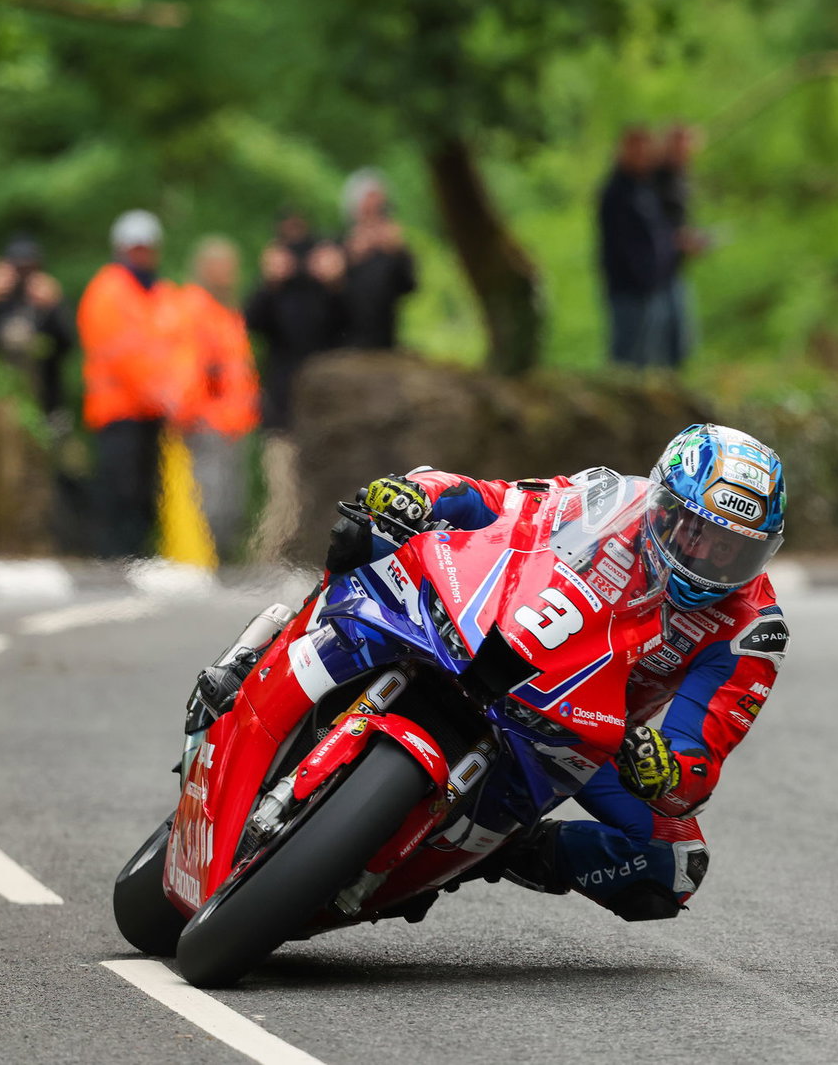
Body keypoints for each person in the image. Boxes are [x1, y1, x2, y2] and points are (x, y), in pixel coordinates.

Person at [324, 424, 790, 921]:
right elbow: (499, 503)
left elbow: (697, 765)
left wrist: (666, 768)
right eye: (700, 533)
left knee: (672, 862)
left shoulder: (752, 631)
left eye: (733, 549)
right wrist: (422, 493)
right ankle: (254, 658)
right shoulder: (609, 497)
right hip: (493, 633)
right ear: (666, 509)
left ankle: (502, 849)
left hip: (581, 732)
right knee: (371, 529)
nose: (711, 561)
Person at [77, 210, 195, 558]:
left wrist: (177, 394)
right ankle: (113, 560)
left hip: (154, 412)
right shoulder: (108, 290)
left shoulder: (161, 294)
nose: (142, 255)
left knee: (149, 492)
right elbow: (120, 352)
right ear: (121, 249)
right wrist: (158, 392)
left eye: (147, 248)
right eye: (136, 248)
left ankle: (138, 559)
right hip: (118, 410)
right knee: (120, 489)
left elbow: (181, 348)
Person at [244, 207, 348, 563]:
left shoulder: (326, 291)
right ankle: (268, 562)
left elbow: (353, 324)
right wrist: (269, 282)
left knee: (319, 494)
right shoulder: (275, 293)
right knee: (283, 493)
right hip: (282, 406)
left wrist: (335, 282)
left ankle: (304, 560)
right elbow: (249, 323)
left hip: (324, 413)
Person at [177, 236, 260, 558]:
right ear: (208, 269)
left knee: (232, 500)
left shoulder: (226, 311)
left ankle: (222, 563)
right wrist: (195, 411)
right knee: (212, 499)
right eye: (225, 267)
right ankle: (208, 561)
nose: (231, 274)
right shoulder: (194, 307)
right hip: (208, 422)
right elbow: (188, 367)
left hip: (233, 423)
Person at [0, 236, 74, 421]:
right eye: (18, 268)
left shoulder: (47, 300)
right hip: (1, 403)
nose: (23, 276)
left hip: (46, 405)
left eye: (29, 268)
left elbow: (67, 345)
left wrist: (54, 307)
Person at [598, 126, 676, 368]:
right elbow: (622, 245)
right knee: (627, 360)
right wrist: (641, 275)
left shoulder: (646, 187)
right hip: (628, 288)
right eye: (636, 150)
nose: (642, 156)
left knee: (649, 357)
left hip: (653, 286)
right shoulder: (616, 192)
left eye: (646, 150)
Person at [340, 168, 419, 350]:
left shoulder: (392, 248)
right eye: (369, 205)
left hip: (384, 340)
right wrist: (351, 257)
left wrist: (398, 252)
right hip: (344, 341)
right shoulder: (339, 244)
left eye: (379, 206)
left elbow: (409, 287)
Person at [654, 123, 710, 368]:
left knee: (680, 341)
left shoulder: (681, 177)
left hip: (674, 268)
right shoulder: (654, 178)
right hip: (654, 272)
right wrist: (675, 240)